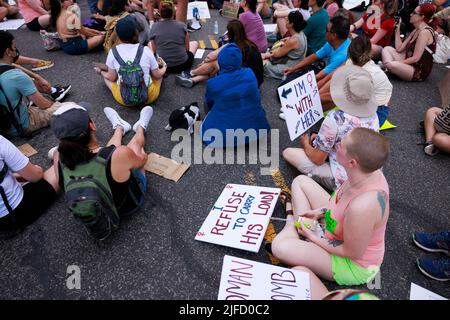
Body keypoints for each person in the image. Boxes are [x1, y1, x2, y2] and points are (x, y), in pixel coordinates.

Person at [271, 127, 390, 287]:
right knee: (300, 181)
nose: (337, 144)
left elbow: (351, 252)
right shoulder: (366, 172)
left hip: (350, 264)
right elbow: (339, 204)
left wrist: (314, 237)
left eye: (342, 145)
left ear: (352, 162)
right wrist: (320, 212)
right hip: (337, 229)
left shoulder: (362, 207)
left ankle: (292, 223)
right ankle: (302, 234)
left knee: (279, 247)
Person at [51, 102, 153, 238]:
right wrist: (138, 156)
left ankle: (119, 128)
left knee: (108, 156)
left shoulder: (58, 156)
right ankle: (140, 127)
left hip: (98, 207)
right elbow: (142, 161)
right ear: (92, 125)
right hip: (127, 206)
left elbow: (61, 183)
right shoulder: (119, 154)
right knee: (134, 145)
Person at [282, 65, 380, 191]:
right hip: (366, 176)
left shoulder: (335, 118)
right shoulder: (373, 115)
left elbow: (317, 159)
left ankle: (330, 186)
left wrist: (305, 143)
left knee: (289, 153)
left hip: (345, 181)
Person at [0, 31, 70, 137]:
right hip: (20, 125)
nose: (16, 50)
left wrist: (36, 77)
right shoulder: (17, 76)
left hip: (3, 123)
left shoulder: (10, 72)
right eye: (14, 47)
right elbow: (44, 105)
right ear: (8, 52)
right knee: (71, 108)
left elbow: (11, 65)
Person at [201, 43, 270, 148]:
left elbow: (209, 103)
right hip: (257, 130)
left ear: (221, 60)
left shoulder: (213, 83)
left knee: (206, 109)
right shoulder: (249, 73)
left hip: (226, 136)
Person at [320, 35, 393, 123]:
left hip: (378, 110)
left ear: (349, 51)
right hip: (368, 101)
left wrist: (312, 100)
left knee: (337, 122)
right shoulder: (352, 61)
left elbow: (335, 97)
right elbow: (335, 78)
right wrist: (318, 91)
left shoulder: (366, 75)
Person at [97, 15, 166, 107]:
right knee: (158, 75)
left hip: (124, 98)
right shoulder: (145, 50)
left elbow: (111, 77)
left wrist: (101, 72)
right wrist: (164, 67)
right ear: (136, 32)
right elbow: (157, 75)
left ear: (118, 35)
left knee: (107, 78)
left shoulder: (113, 52)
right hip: (149, 97)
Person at [175, 19, 264, 88]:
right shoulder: (249, 43)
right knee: (217, 66)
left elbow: (211, 57)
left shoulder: (233, 47)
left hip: (246, 83)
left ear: (231, 34)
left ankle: (191, 73)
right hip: (256, 81)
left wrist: (205, 62)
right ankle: (194, 80)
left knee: (215, 63)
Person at [0, 135, 59, 232]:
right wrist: (37, 170)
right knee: (62, 157)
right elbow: (36, 176)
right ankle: (58, 153)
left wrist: (13, 176)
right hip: (13, 213)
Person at [284, 15, 351, 84]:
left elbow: (320, 76)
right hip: (328, 72)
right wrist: (293, 68)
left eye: (326, 30)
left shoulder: (342, 56)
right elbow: (314, 56)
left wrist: (299, 82)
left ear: (334, 35)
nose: (324, 32)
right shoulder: (334, 42)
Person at [381, 3, 437, 81]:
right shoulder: (416, 29)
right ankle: (389, 67)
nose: (411, 14)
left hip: (417, 69)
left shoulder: (425, 32)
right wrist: (397, 29)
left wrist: (399, 62)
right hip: (409, 61)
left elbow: (415, 58)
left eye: (414, 13)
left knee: (391, 65)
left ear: (422, 17)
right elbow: (399, 49)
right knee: (387, 49)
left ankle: (388, 67)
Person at [149, 1, 198, 74]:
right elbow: (187, 48)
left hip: (162, 65)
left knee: (149, 43)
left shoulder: (154, 26)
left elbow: (154, 50)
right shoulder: (181, 25)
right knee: (195, 43)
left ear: (160, 13)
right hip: (182, 64)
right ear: (173, 13)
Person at [263, 11, 308, 80]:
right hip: (298, 63)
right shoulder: (301, 33)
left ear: (291, 24)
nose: (285, 20)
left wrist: (265, 55)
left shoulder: (293, 40)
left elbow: (277, 54)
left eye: (287, 20)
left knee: (263, 65)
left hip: (290, 66)